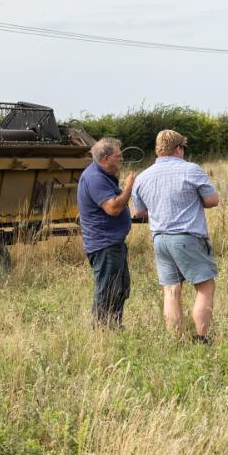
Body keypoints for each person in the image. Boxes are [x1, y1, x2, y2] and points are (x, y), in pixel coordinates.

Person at [129, 128, 221, 341]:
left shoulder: (143, 177)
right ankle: (201, 337)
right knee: (205, 286)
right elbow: (212, 200)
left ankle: (175, 339)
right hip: (187, 235)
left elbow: (140, 212)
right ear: (178, 148)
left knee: (171, 290)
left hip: (160, 238)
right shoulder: (191, 170)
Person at [76, 138, 136, 327]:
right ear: (105, 158)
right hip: (104, 245)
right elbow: (113, 208)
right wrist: (129, 187)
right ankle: (101, 330)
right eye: (118, 156)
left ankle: (114, 326)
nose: (122, 159)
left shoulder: (103, 175)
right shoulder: (95, 178)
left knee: (120, 288)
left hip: (112, 243)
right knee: (108, 290)